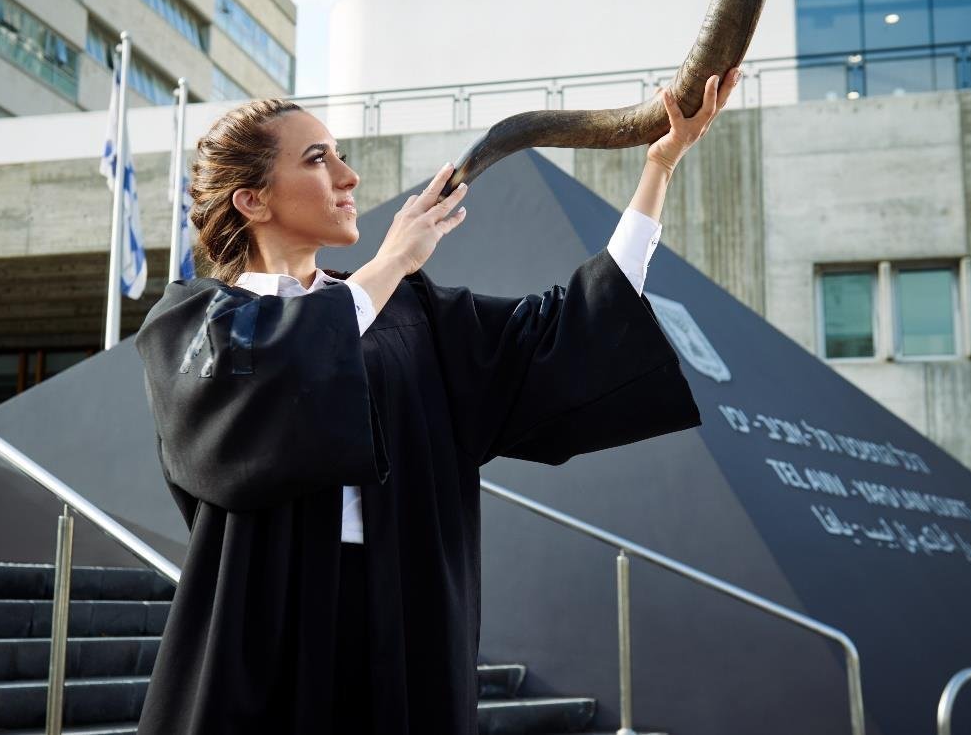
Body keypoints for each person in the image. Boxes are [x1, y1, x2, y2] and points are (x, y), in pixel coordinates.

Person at [133, 69, 743, 735]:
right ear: (252, 200)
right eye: (317, 159)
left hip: (400, 615)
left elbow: (554, 335)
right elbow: (275, 375)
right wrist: (391, 261)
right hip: (263, 626)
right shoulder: (197, 324)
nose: (348, 177)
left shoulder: (410, 311)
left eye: (340, 155)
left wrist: (658, 169)